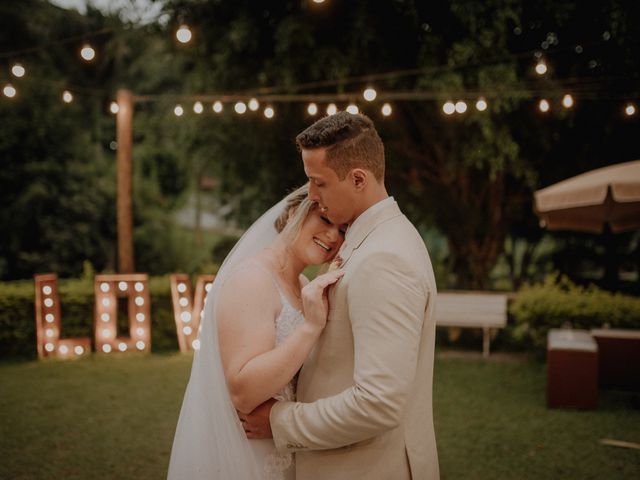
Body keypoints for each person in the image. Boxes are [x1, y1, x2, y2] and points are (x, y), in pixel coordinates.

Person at [240, 112, 440, 479]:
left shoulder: (384, 259)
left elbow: (378, 404)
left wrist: (279, 420)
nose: (311, 196)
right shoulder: (370, 243)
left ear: (358, 178)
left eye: (319, 183)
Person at [167, 184, 346, 480]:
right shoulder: (252, 280)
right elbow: (244, 391)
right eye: (325, 220)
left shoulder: (303, 286)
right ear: (293, 213)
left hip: (286, 445)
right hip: (250, 455)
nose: (333, 236)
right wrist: (311, 328)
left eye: (342, 230)